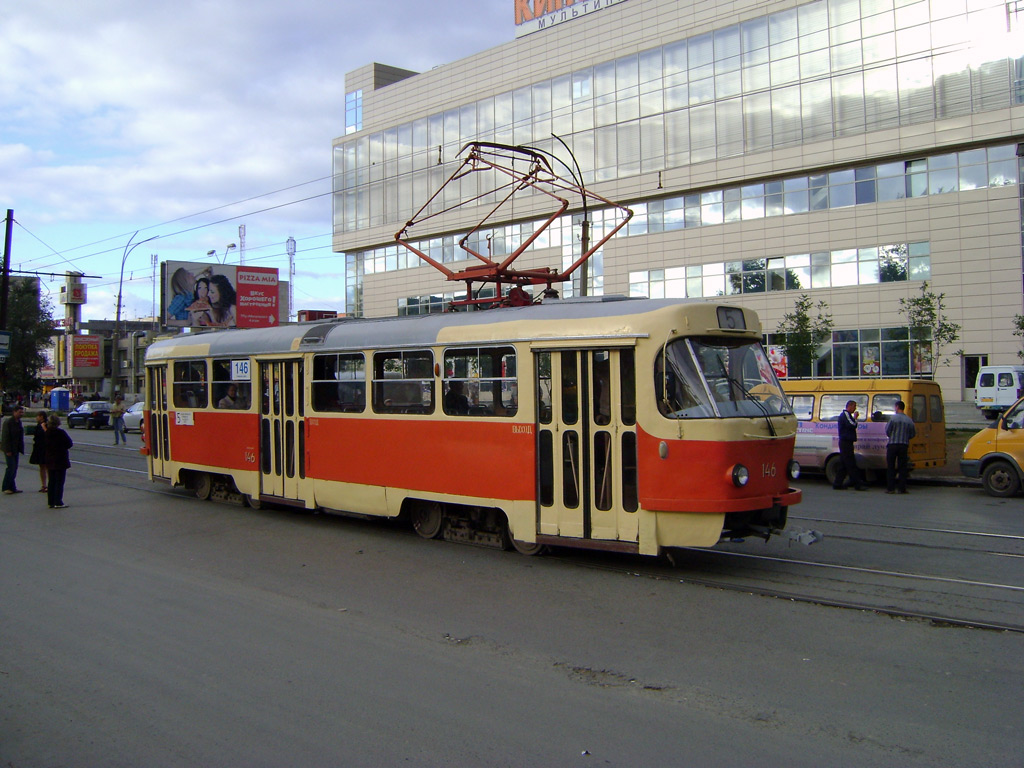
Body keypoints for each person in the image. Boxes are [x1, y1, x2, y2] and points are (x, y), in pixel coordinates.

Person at [833, 399, 867, 491]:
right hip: (846, 442)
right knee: (851, 463)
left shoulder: (847, 415)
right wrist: (855, 418)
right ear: (850, 406)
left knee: (844, 464)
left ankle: (838, 483)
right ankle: (857, 484)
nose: (855, 409)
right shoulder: (846, 415)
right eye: (854, 406)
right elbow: (852, 425)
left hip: (846, 441)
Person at [885, 400, 916, 494]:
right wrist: (906, 437)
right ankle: (901, 488)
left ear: (897, 407)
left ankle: (890, 488)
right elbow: (913, 433)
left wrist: (893, 436)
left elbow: (887, 431)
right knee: (902, 467)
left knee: (891, 466)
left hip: (892, 445)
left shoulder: (893, 419)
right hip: (903, 445)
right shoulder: (909, 420)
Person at [44, 414, 73, 509]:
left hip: (49, 459)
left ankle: (51, 501)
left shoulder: (47, 433)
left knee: (51, 481)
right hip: (60, 459)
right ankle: (58, 501)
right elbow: (69, 443)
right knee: (59, 482)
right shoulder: (60, 433)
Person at [1, 405, 26, 494]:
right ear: (14, 412)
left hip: (16, 449)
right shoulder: (8, 422)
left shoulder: (18, 422)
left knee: (14, 468)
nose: (21, 414)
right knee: (10, 468)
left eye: (22, 412)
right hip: (9, 449)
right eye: (20, 412)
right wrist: (7, 450)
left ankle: (12, 487)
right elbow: (5, 437)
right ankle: (6, 487)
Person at [28, 410, 48, 492]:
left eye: (38, 416)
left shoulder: (45, 425)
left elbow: (49, 435)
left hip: (44, 448)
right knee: (42, 467)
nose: (36, 418)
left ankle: (48, 485)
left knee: (46, 467)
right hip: (39, 448)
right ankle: (43, 485)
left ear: (42, 417)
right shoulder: (38, 425)